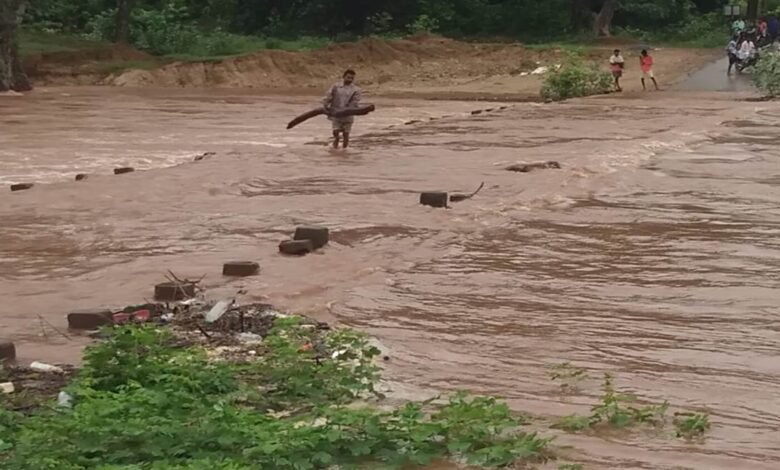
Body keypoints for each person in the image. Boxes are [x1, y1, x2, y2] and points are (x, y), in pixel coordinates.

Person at [322, 69, 361, 149]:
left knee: (346, 135)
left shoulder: (356, 90)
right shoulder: (335, 86)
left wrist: (349, 109)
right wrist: (325, 105)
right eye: (348, 77)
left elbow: (355, 102)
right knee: (336, 133)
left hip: (348, 115)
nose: (349, 79)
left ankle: (345, 151)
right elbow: (329, 96)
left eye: (351, 78)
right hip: (336, 114)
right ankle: (335, 147)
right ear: (343, 77)